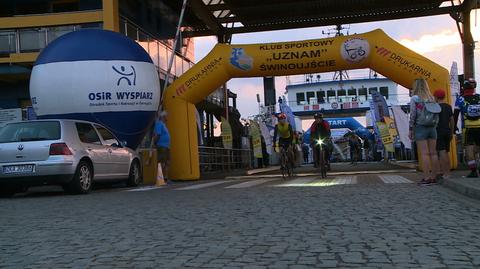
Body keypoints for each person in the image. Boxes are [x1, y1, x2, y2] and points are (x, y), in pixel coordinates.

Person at [409, 78, 440, 185]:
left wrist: (411, 129)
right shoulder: (432, 98)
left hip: (420, 127)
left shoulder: (415, 98)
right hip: (432, 127)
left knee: (425, 154)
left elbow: (413, 115)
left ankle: (426, 178)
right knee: (433, 153)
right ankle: (434, 177)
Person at [454, 78, 479, 177]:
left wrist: (454, 127)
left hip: (468, 127)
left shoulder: (460, 99)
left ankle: (473, 171)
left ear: (463, 88)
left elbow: (455, 115)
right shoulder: (479, 97)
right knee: (478, 149)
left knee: (469, 148)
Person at [434, 89, 454, 178]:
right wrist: (452, 132)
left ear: (436, 97)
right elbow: (452, 120)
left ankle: (446, 173)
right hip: (447, 131)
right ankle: (445, 171)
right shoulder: (448, 106)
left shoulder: (435, 107)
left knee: (441, 152)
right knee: (446, 152)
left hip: (439, 132)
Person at [153, 111, 171, 183]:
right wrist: (155, 143)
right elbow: (157, 135)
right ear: (163, 117)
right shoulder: (159, 124)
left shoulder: (163, 125)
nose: (167, 117)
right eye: (166, 116)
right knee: (162, 162)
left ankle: (165, 177)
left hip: (166, 146)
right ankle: (162, 178)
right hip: (162, 146)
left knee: (167, 162)